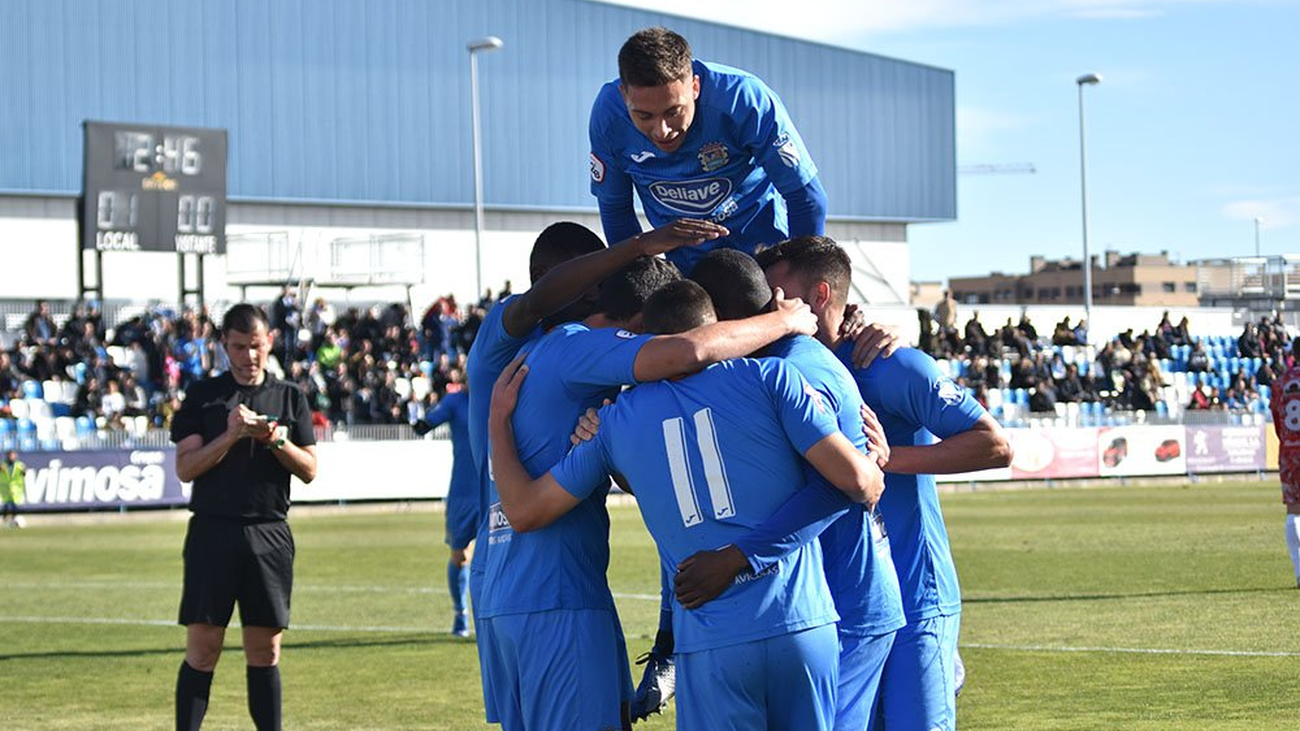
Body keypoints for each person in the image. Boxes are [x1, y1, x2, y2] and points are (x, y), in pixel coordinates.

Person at [486, 282, 885, 731]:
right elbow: (858, 484)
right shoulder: (772, 378)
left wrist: (497, 422)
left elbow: (523, 511)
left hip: (712, 641)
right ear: (719, 328)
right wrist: (874, 461)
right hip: (801, 627)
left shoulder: (614, 423)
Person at [464, 218, 729, 726]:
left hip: (503, 586)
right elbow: (689, 351)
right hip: (555, 592)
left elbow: (631, 470)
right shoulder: (570, 345)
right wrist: (785, 322)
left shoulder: (513, 350)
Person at [758, 236, 1013, 731]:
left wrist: (885, 459)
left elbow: (994, 445)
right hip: (841, 603)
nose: (769, 308)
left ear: (819, 297)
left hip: (916, 592)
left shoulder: (890, 362)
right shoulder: (773, 371)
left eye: (778, 294)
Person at [678, 247, 904, 729]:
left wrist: (738, 557)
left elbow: (843, 487)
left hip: (847, 600)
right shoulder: (774, 362)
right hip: (817, 598)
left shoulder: (795, 368)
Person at [170, 304, 318, 731]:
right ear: (224, 346)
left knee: (265, 652)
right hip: (212, 532)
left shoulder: (290, 396)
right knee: (203, 649)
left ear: (269, 341)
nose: (249, 356)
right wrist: (231, 434)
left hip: (269, 533)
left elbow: (309, 469)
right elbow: (186, 467)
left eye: (256, 346)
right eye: (238, 347)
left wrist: (275, 440)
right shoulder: (204, 394)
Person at [589, 26, 826, 275]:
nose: (662, 131)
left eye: (673, 112)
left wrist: (798, 287)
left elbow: (807, 200)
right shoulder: (608, 116)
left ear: (695, 87)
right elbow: (616, 211)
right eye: (643, 116)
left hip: (764, 260)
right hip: (685, 271)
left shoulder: (743, 99)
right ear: (623, 94)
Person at [414, 385, 476, 637]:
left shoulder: (500, 394)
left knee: (498, 557)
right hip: (462, 491)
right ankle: (461, 614)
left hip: (496, 489)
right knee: (460, 556)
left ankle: (490, 619)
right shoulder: (455, 401)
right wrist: (420, 420)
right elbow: (426, 424)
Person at [1269, 339, 1300, 588]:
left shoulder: (1280, 382)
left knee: (1293, 510)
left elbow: (1278, 421)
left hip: (1289, 451)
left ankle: (1299, 571)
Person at [1, 450, 26, 529]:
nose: (13, 457)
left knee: (14, 505)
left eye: (14, 455)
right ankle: (6, 520)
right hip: (5, 487)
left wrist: (24, 470)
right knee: (7, 505)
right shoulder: (3, 465)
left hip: (16, 488)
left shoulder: (19, 465)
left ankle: (13, 519)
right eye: (11, 455)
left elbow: (24, 472)